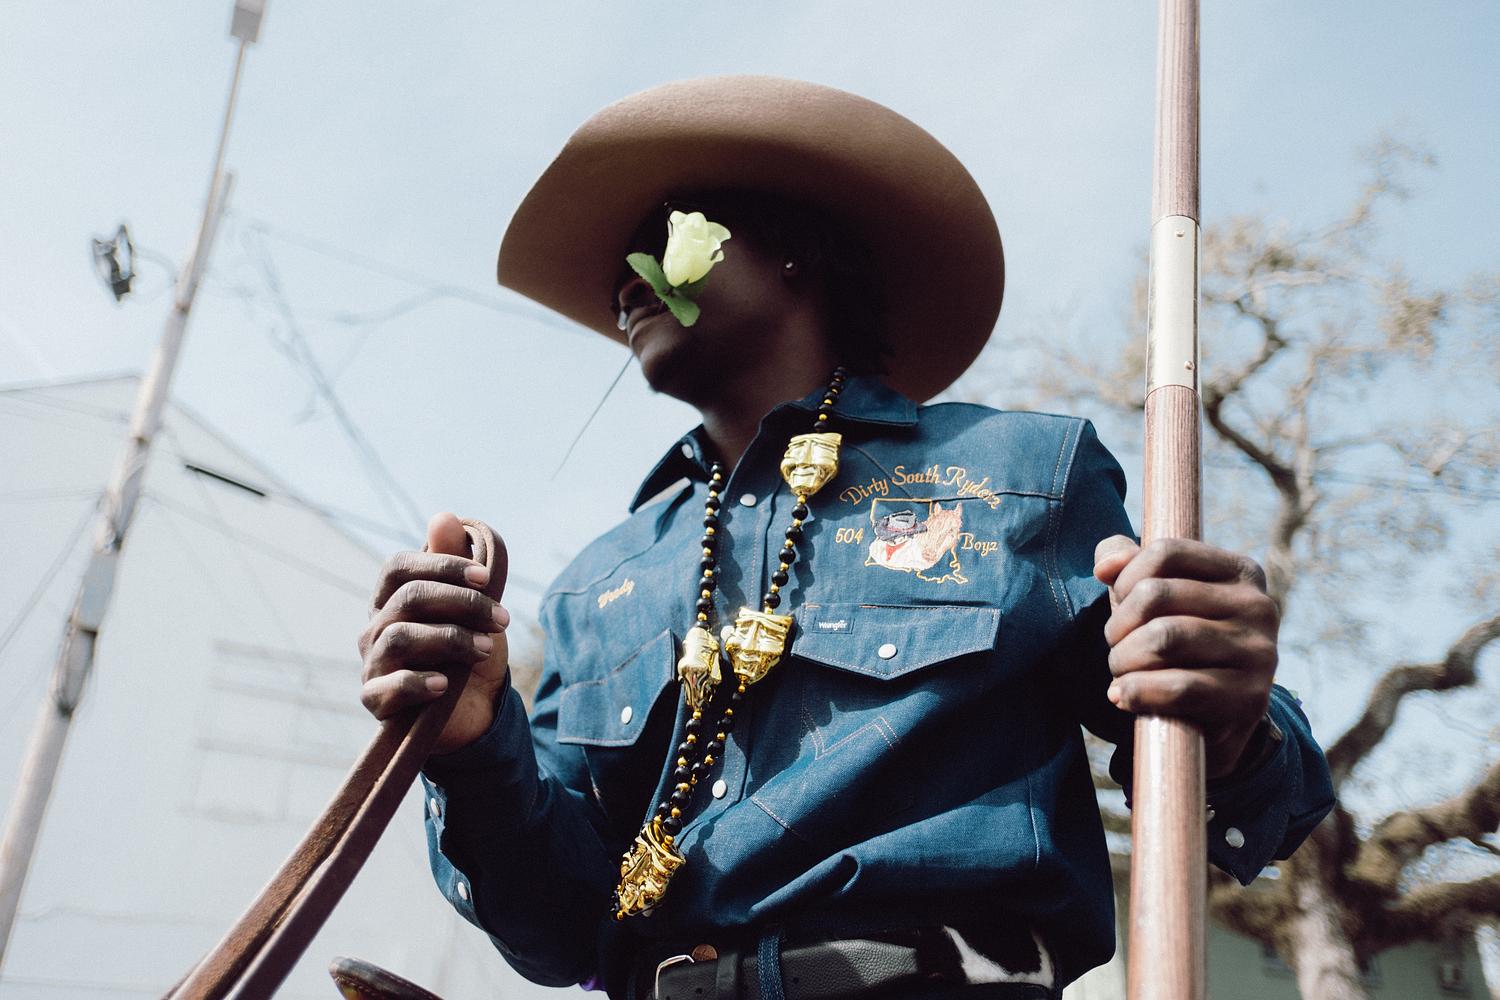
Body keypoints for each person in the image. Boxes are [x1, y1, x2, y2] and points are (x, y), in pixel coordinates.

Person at [356, 77, 1333, 1000]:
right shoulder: (595, 580)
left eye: (667, 239)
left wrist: (1233, 712)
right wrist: (469, 742)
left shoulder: (1020, 470)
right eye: (618, 268)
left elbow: (1232, 785)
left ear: (795, 252)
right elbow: (556, 929)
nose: (626, 280)